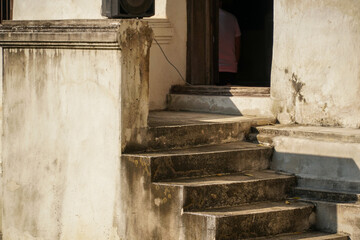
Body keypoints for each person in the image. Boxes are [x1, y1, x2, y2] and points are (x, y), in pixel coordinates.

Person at [218, 0, 241, 85]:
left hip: (212, 70)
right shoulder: (232, 18)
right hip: (230, 68)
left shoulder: (206, 20)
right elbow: (237, 44)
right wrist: (235, 63)